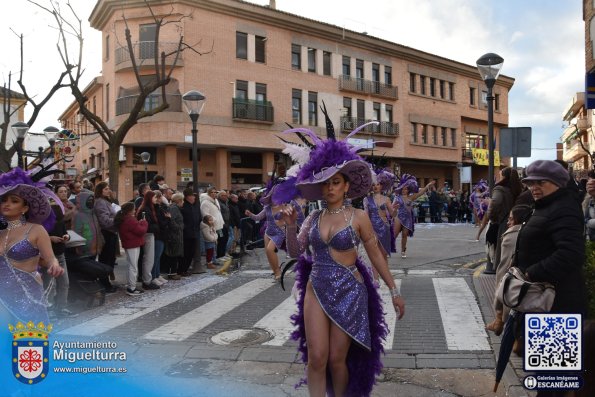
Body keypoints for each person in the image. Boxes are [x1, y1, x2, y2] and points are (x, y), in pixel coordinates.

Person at [281, 110, 405, 397]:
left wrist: (394, 290)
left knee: (337, 361)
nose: (330, 188)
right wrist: (290, 227)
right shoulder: (313, 218)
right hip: (316, 289)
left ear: (346, 185)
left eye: (335, 182)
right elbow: (296, 251)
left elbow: (375, 254)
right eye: (325, 183)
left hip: (350, 291)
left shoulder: (359, 216)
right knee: (317, 359)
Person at [0, 167, 65, 324]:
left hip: (28, 296)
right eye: (3, 200)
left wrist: (54, 265)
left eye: (14, 201)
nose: (7, 204)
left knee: (28, 344)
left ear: (25, 208)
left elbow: (49, 258)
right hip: (2, 297)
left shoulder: (36, 230)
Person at [485, 204, 533, 335]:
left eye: (511, 219)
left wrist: (499, 286)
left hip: (514, 281)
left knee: (510, 311)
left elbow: (503, 266)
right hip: (527, 279)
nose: (508, 222)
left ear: (518, 220)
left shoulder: (511, 235)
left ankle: (500, 322)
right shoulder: (529, 231)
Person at [246, 177, 305, 281]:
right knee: (268, 252)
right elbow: (258, 217)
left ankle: (278, 272)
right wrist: (250, 214)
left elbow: (298, 217)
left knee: (270, 249)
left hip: (280, 232)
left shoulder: (286, 206)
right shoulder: (267, 208)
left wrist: (302, 229)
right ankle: (276, 270)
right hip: (268, 232)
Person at [476, 167, 523, 271]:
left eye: (500, 174)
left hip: (502, 222)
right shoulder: (517, 189)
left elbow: (495, 203)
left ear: (504, 176)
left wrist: (492, 216)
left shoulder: (500, 189)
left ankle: (499, 273)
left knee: (501, 251)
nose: (499, 176)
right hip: (515, 222)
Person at [393, 175, 435, 258]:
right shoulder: (397, 198)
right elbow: (392, 208)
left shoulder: (411, 197)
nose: (404, 190)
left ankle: (403, 251)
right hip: (398, 217)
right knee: (395, 234)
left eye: (406, 189)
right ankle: (388, 248)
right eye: (403, 189)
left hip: (408, 218)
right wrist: (394, 210)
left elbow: (421, 193)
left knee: (405, 234)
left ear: (408, 190)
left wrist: (427, 186)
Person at [115, 202, 147, 296]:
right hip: (133, 244)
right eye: (133, 208)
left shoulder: (124, 218)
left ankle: (130, 285)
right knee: (133, 267)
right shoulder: (130, 219)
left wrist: (139, 223)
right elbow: (141, 231)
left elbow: (134, 228)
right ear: (129, 211)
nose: (135, 210)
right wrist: (144, 223)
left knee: (130, 266)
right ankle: (132, 288)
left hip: (129, 244)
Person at [364, 168, 396, 258]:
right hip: (372, 228)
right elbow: (366, 216)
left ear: (382, 186)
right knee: (374, 254)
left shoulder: (386, 199)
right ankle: (374, 272)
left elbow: (393, 215)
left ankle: (383, 271)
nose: (376, 187)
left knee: (383, 254)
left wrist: (396, 210)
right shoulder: (366, 200)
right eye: (373, 185)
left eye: (378, 184)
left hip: (384, 227)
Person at [93, 182, 119, 282]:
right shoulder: (100, 202)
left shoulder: (106, 200)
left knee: (110, 258)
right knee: (105, 259)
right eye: (106, 189)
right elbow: (104, 221)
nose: (109, 191)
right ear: (100, 190)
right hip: (106, 233)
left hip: (111, 232)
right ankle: (104, 282)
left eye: (109, 188)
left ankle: (106, 280)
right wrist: (118, 220)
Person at [163, 192, 184, 280]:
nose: (183, 202)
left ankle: (172, 272)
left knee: (174, 254)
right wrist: (179, 227)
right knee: (173, 254)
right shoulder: (174, 208)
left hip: (175, 234)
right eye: (182, 200)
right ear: (179, 200)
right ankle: (172, 273)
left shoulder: (174, 208)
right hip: (174, 235)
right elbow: (171, 220)